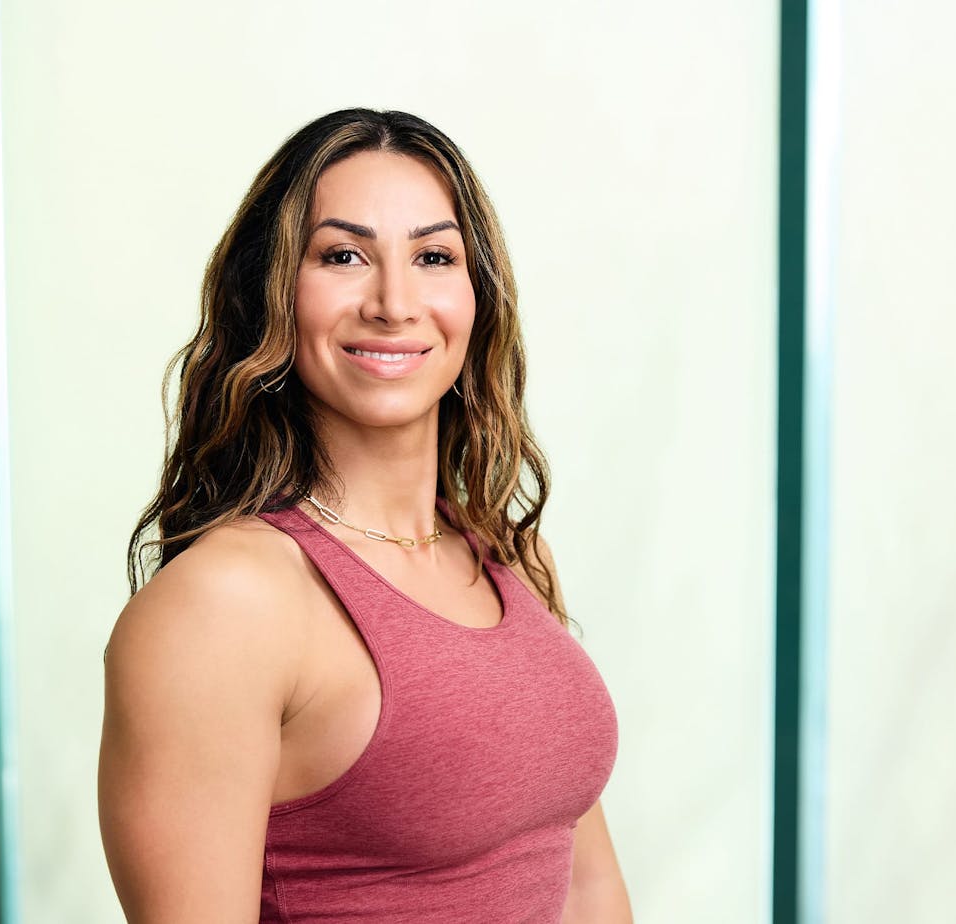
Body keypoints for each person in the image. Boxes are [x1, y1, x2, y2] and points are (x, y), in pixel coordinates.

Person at [98, 108, 630, 923]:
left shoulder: (515, 558)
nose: (394, 301)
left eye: (433, 256)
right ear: (274, 293)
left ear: (476, 295)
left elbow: (586, 886)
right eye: (343, 255)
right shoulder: (224, 605)